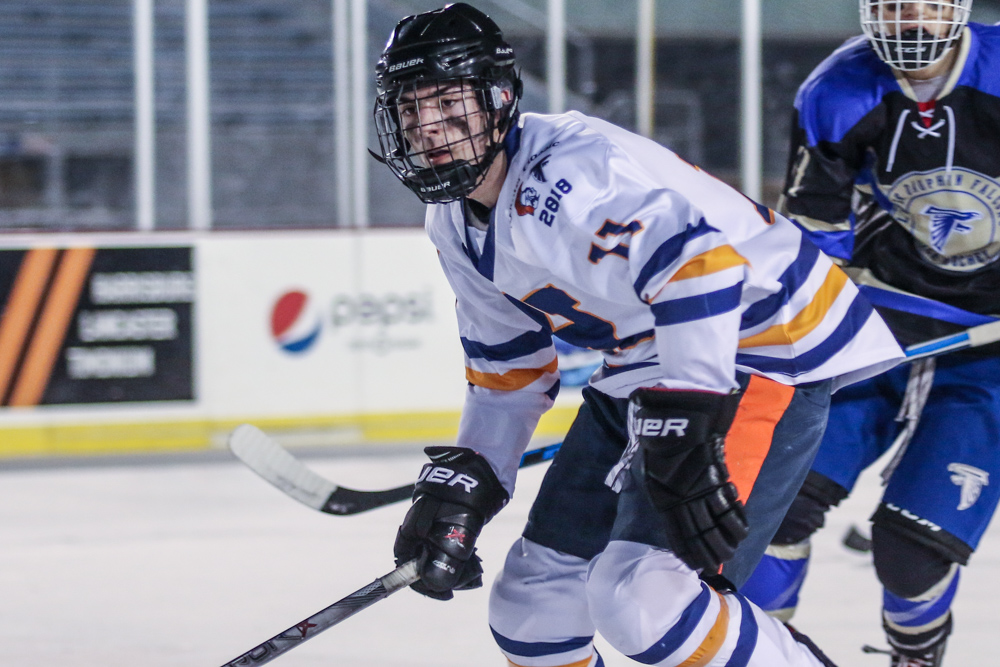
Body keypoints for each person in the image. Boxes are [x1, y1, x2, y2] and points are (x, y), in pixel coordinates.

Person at [372, 4, 903, 666]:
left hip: (761, 346)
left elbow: (702, 268)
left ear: (500, 98)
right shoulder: (451, 223)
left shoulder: (569, 178)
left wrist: (687, 421)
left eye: (450, 103)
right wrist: (467, 480)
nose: (430, 129)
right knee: (532, 606)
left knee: (643, 597)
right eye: (411, 109)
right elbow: (507, 374)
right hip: (649, 367)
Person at [739, 2, 1000, 665]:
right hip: (879, 318)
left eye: (926, 3)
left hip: (991, 346)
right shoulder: (835, 90)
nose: (910, 19)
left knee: (911, 554)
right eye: (894, 3)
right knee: (776, 505)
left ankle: (915, 657)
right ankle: (767, 655)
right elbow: (815, 246)